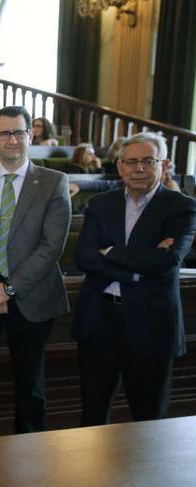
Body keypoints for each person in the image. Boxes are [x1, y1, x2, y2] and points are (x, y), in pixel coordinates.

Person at [0, 106, 71, 439]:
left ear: (30, 135)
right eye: (4, 133)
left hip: (33, 296)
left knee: (30, 384)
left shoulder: (53, 182)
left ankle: (30, 453)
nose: (12, 140)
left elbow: (52, 247)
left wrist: (8, 289)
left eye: (18, 132)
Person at [71, 132, 196, 427]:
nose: (139, 168)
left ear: (163, 165)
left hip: (151, 325)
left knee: (149, 419)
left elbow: (167, 260)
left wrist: (111, 251)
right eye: (131, 162)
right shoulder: (101, 204)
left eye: (147, 161)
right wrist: (139, 267)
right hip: (99, 320)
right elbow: (85, 258)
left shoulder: (181, 207)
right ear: (120, 166)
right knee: (92, 414)